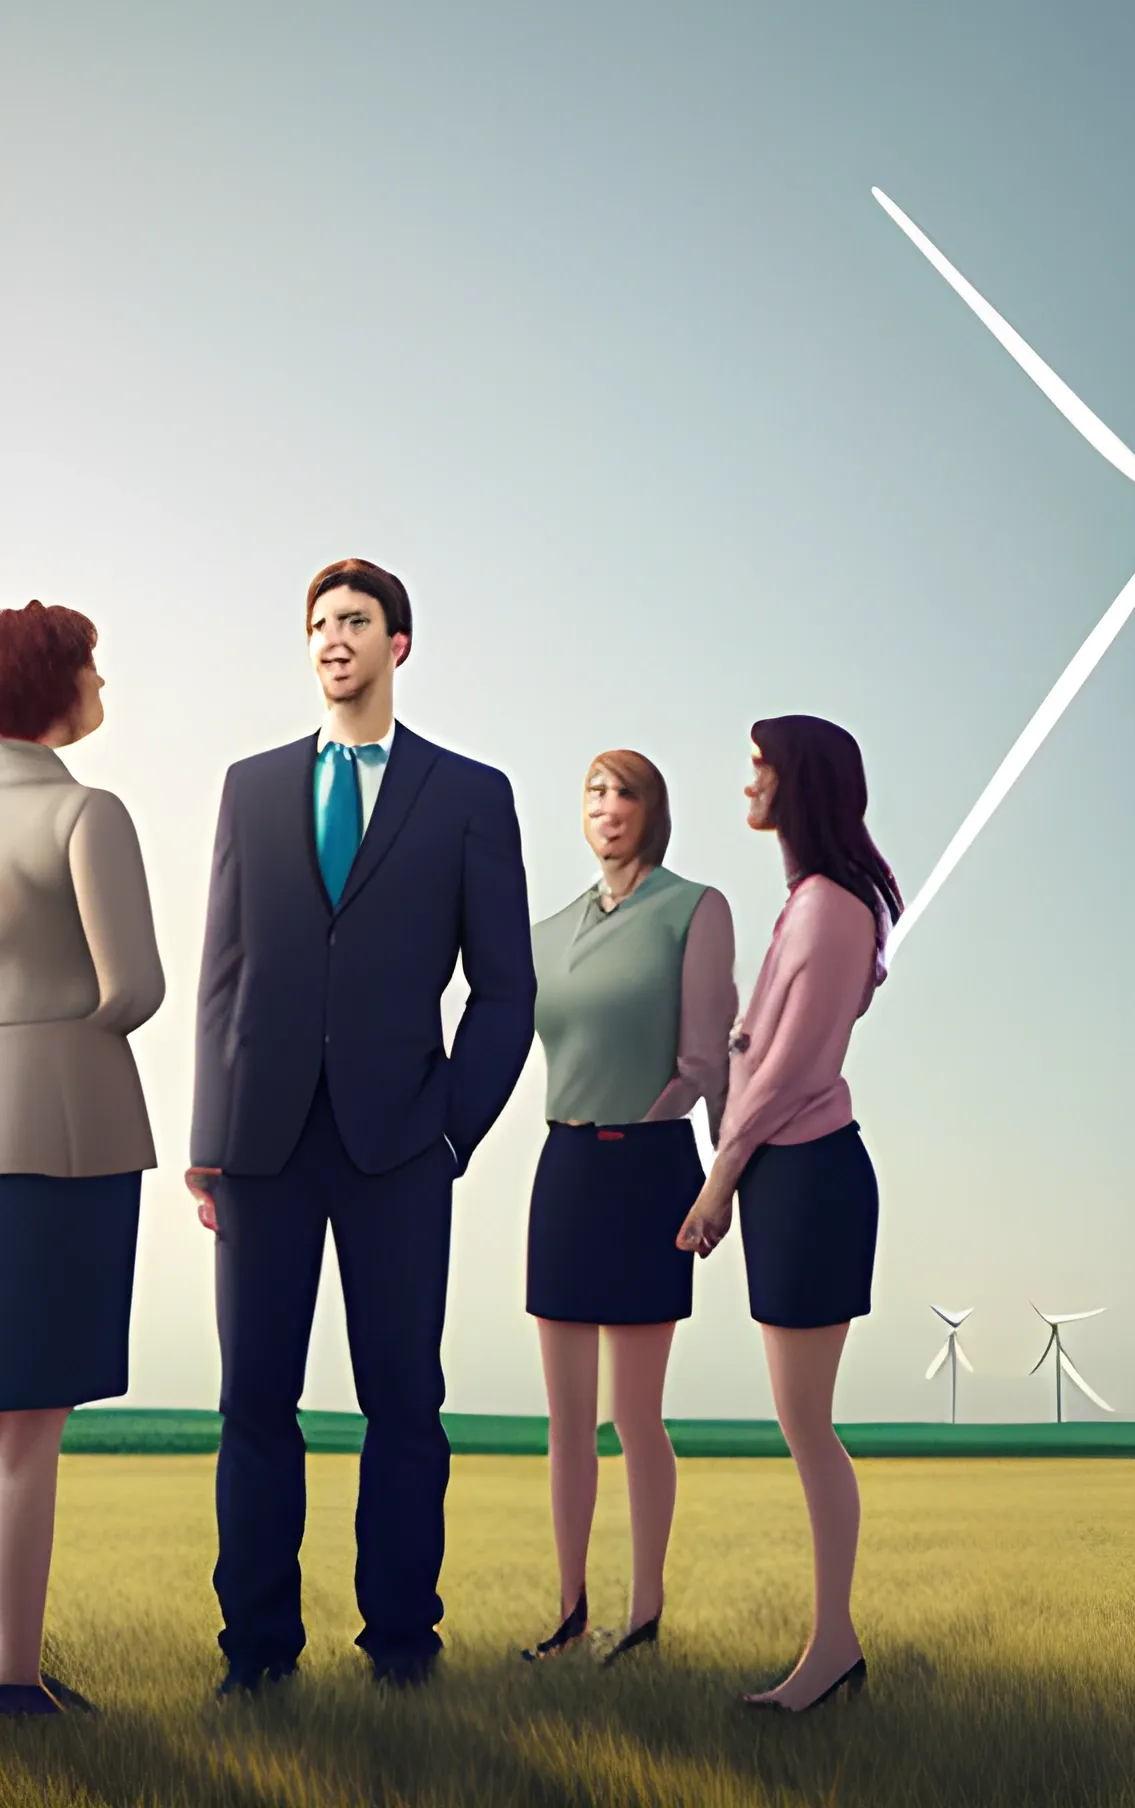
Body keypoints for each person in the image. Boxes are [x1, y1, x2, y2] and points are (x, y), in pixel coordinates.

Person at [185, 560, 535, 1695]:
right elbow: (221, 975)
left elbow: (505, 989)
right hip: (261, 1146)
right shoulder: (248, 786)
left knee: (403, 1399)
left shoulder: (470, 792)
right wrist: (206, 1133)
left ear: (401, 643)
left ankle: (399, 1642)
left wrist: (451, 1133)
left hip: (400, 1147)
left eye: (356, 622)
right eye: (320, 624)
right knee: (254, 1403)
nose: (334, 638)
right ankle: (255, 1653)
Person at [678, 713, 899, 1712]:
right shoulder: (813, 903)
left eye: (759, 769)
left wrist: (719, 1173)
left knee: (806, 1423)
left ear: (798, 783)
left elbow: (789, 1071)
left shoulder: (825, 910)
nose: (745, 786)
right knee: (800, 1419)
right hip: (789, 1175)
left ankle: (833, 1646)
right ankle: (831, 1642)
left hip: (804, 1176)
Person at [521, 749, 736, 1668]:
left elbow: (707, 1063)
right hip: (564, 1165)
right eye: (594, 794)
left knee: (633, 1415)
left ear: (655, 811)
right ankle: (569, 1615)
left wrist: (720, 1177)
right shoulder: (544, 930)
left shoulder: (695, 910)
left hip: (647, 1165)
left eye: (626, 793)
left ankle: (643, 1617)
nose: (608, 808)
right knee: (566, 1421)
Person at [0, 603, 164, 1718]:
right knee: (28, 1425)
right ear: (50, 684)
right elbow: (133, 986)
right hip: (64, 1126)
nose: (102, 681)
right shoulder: (83, 811)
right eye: (90, 664)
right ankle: (12, 1674)